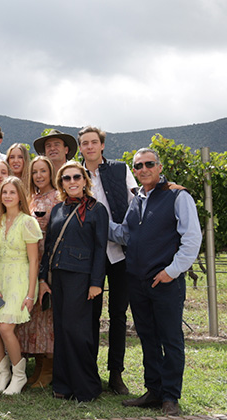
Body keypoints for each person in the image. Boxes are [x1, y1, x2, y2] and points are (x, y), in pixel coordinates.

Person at [110, 148, 201, 417]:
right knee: (147, 337)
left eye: (149, 164)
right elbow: (125, 234)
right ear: (135, 171)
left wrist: (172, 271)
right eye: (138, 166)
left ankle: (171, 396)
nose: (144, 169)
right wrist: (97, 219)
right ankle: (154, 390)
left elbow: (191, 239)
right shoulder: (137, 199)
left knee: (170, 339)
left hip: (165, 281)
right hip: (137, 282)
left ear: (159, 167)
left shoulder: (177, 195)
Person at [40, 161, 108, 402]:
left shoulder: (96, 209)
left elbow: (101, 248)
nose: (72, 182)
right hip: (57, 276)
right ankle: (63, 384)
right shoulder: (58, 209)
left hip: (81, 278)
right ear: (61, 183)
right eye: (66, 178)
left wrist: (96, 282)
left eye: (76, 177)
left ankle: (86, 387)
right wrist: (42, 278)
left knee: (77, 331)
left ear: (85, 180)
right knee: (61, 329)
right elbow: (49, 246)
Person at [78, 126, 138, 395]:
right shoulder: (74, 173)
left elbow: (137, 200)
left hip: (118, 252)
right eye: (84, 143)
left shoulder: (120, 169)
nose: (89, 147)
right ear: (80, 148)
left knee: (117, 314)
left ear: (102, 145)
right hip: (88, 255)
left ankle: (116, 374)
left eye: (94, 142)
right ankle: (90, 372)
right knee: (90, 314)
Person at [0, 176, 41, 395]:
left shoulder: (28, 222)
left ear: (20, 196)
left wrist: (30, 294)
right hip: (0, 280)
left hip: (21, 279)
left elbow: (34, 260)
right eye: (4, 192)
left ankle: (19, 375)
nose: (7, 196)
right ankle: (3, 373)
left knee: (6, 327)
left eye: (12, 192)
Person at [15, 156, 60, 388]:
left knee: (47, 315)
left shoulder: (58, 197)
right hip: (29, 262)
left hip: (48, 262)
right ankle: (40, 365)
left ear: (51, 173)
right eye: (35, 172)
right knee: (34, 317)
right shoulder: (31, 198)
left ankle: (49, 368)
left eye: (43, 171)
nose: (39, 176)